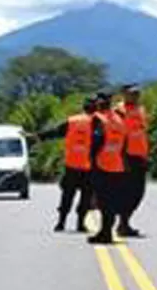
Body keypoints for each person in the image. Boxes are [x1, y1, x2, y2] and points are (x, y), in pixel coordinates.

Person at [33, 96, 97, 232]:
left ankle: (61, 223)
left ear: (83, 107)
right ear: (95, 108)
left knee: (67, 195)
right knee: (86, 197)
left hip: (71, 165)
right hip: (89, 167)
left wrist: (39, 136)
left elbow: (55, 132)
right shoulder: (97, 122)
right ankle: (80, 224)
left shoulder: (72, 121)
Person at [87, 92, 128, 245]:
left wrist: (91, 159)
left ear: (99, 103)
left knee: (104, 203)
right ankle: (106, 232)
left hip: (102, 165)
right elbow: (124, 143)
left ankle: (105, 234)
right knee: (111, 202)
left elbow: (97, 141)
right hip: (117, 165)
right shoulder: (119, 119)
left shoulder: (99, 119)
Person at [115, 83, 149, 238]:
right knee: (127, 192)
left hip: (139, 156)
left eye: (137, 93)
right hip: (126, 157)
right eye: (132, 93)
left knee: (138, 192)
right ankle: (123, 223)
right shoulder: (119, 111)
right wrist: (122, 158)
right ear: (123, 94)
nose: (135, 96)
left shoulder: (140, 110)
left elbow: (141, 133)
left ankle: (125, 222)